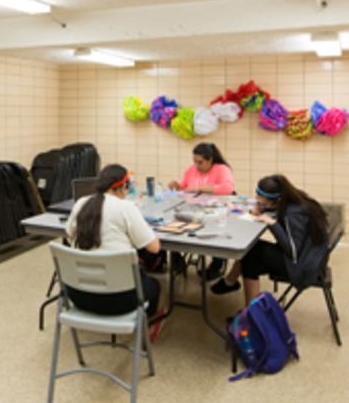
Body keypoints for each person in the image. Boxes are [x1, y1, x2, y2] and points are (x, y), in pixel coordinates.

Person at [66, 164, 166, 341]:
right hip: (120, 300)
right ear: (122, 188)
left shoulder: (82, 203)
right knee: (155, 286)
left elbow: (69, 238)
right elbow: (154, 248)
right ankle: (149, 324)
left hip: (78, 295)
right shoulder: (126, 208)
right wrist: (146, 229)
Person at [211, 174, 330, 306]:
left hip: (302, 267)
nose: (261, 204)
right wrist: (264, 208)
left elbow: (293, 251)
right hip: (308, 258)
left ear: (278, 200)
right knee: (249, 262)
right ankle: (251, 314)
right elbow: (275, 209)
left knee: (250, 250)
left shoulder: (294, 214)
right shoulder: (293, 199)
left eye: (264, 202)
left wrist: (272, 223)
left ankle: (231, 285)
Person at [168, 142, 235, 280]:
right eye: (194, 161)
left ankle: (216, 266)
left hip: (215, 212)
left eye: (200, 162)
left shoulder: (222, 169)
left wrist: (200, 188)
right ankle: (177, 261)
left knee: (217, 232)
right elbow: (184, 189)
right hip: (194, 211)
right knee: (172, 224)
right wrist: (177, 187)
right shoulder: (191, 169)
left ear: (210, 160)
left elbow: (227, 189)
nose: (197, 165)